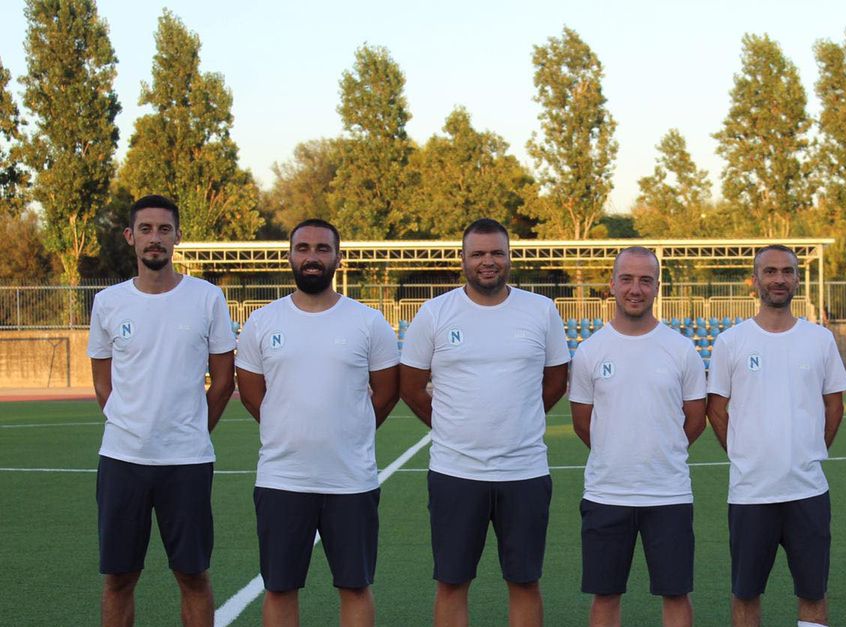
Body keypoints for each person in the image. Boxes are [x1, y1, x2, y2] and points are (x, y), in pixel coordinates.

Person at [398, 218, 570, 627]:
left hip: (524, 472)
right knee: (452, 583)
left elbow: (555, 381)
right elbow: (411, 386)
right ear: (463, 260)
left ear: (510, 257)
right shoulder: (435, 312)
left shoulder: (541, 310)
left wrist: (518, 418)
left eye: (496, 253)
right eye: (478, 254)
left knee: (525, 582)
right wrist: (452, 427)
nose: (488, 261)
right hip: (456, 472)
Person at [235, 219, 400, 627]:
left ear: (338, 258)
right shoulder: (262, 322)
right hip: (282, 479)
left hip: (350, 480)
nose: (312, 257)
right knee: (279, 586)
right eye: (304, 248)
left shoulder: (367, 322)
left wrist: (350, 427)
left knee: (355, 586)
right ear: (290, 256)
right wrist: (285, 426)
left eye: (322, 249)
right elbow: (255, 397)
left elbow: (386, 392)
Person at [87, 194, 236, 627]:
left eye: (164, 229)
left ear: (177, 237)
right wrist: (128, 423)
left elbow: (223, 381)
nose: (156, 238)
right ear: (130, 237)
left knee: (192, 575)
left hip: (186, 461)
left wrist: (192, 431)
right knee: (119, 577)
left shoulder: (206, 298)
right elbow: (102, 379)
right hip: (122, 460)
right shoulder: (109, 302)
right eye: (147, 229)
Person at [706, 245, 846, 627]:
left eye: (787, 271)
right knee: (746, 593)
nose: (779, 278)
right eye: (769, 271)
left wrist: (810, 451)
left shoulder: (819, 340)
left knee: (813, 593)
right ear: (754, 281)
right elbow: (716, 409)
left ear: (797, 279)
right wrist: (743, 453)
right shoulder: (730, 342)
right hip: (751, 492)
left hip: (807, 491)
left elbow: (834, 407)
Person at [569, 247, 708, 627]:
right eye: (627, 279)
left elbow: (695, 420)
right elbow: (584, 423)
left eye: (645, 280)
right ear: (612, 284)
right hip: (606, 494)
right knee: (606, 595)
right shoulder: (589, 351)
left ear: (657, 287)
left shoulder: (681, 350)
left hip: (668, 494)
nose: (635, 288)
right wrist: (617, 451)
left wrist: (662, 450)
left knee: (676, 594)